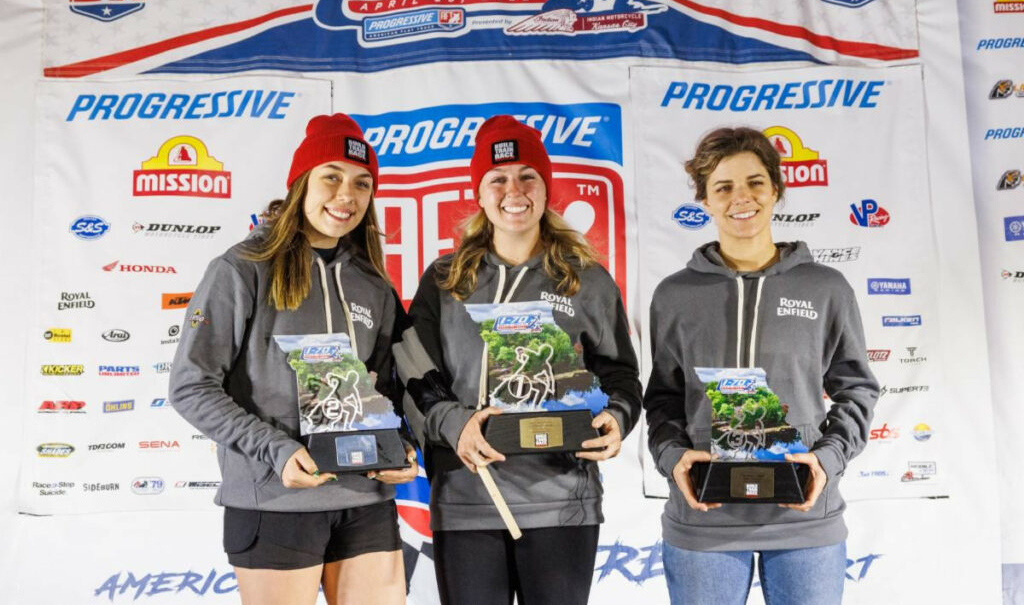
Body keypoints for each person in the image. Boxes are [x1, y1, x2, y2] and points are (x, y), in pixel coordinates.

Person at [169, 114, 418, 605]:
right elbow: (190, 386)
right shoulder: (242, 269)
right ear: (301, 182)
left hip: (365, 496)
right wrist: (277, 451)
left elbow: (390, 387)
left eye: (362, 183)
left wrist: (402, 445)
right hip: (276, 497)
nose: (347, 195)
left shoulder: (374, 283)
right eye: (332, 176)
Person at [398, 115, 642, 605]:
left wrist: (615, 419)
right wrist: (454, 424)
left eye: (528, 175)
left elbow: (621, 375)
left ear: (547, 188)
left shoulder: (585, 279)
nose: (515, 190)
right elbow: (412, 370)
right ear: (481, 194)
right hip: (469, 497)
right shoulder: (445, 280)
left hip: (559, 499)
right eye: (498, 179)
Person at [644, 127, 879, 605]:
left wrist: (825, 461)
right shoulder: (675, 295)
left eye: (754, 183)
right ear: (704, 201)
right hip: (704, 516)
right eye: (723, 188)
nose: (741, 199)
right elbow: (664, 399)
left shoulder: (826, 288)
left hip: (803, 514)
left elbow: (857, 389)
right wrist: (674, 459)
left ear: (775, 189)